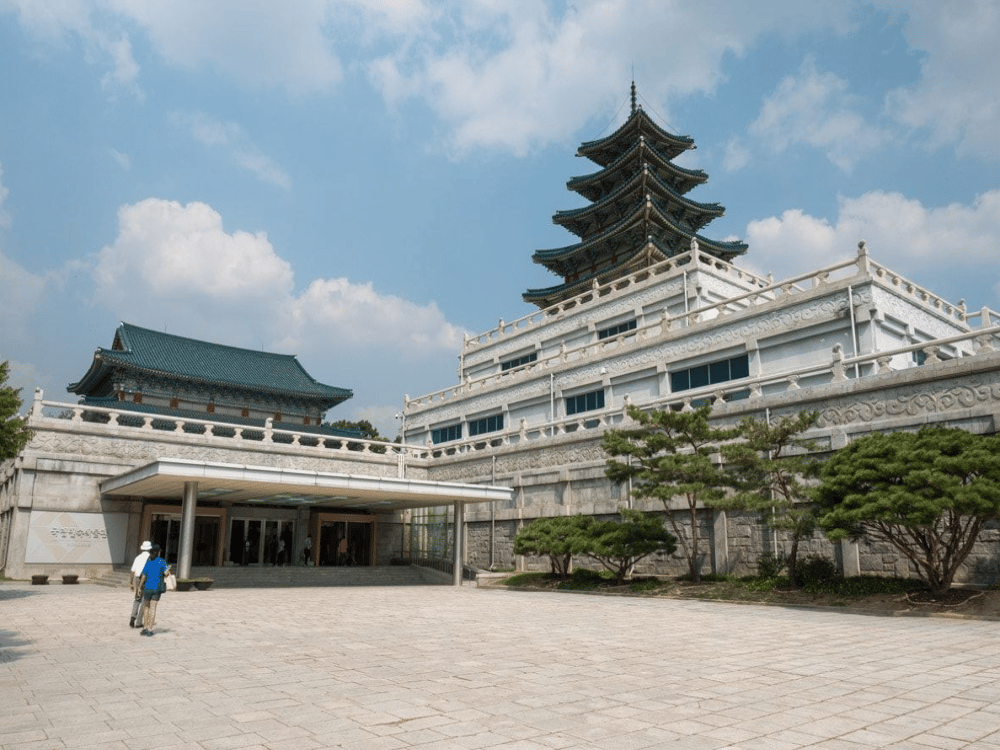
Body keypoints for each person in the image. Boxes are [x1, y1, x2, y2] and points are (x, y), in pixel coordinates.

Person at [136, 544, 170, 637]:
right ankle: (150, 629)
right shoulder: (162, 562)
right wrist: (168, 571)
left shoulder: (148, 562)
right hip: (157, 589)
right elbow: (166, 574)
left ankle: (145, 628)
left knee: (146, 608)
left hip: (147, 588)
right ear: (159, 552)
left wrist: (139, 587)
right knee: (153, 609)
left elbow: (143, 576)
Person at [128, 540, 152, 628]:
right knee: (145, 600)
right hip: (147, 579)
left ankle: (132, 617)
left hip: (137, 578)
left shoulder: (138, 557)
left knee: (137, 599)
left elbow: (132, 571)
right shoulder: (151, 558)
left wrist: (131, 583)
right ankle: (139, 622)